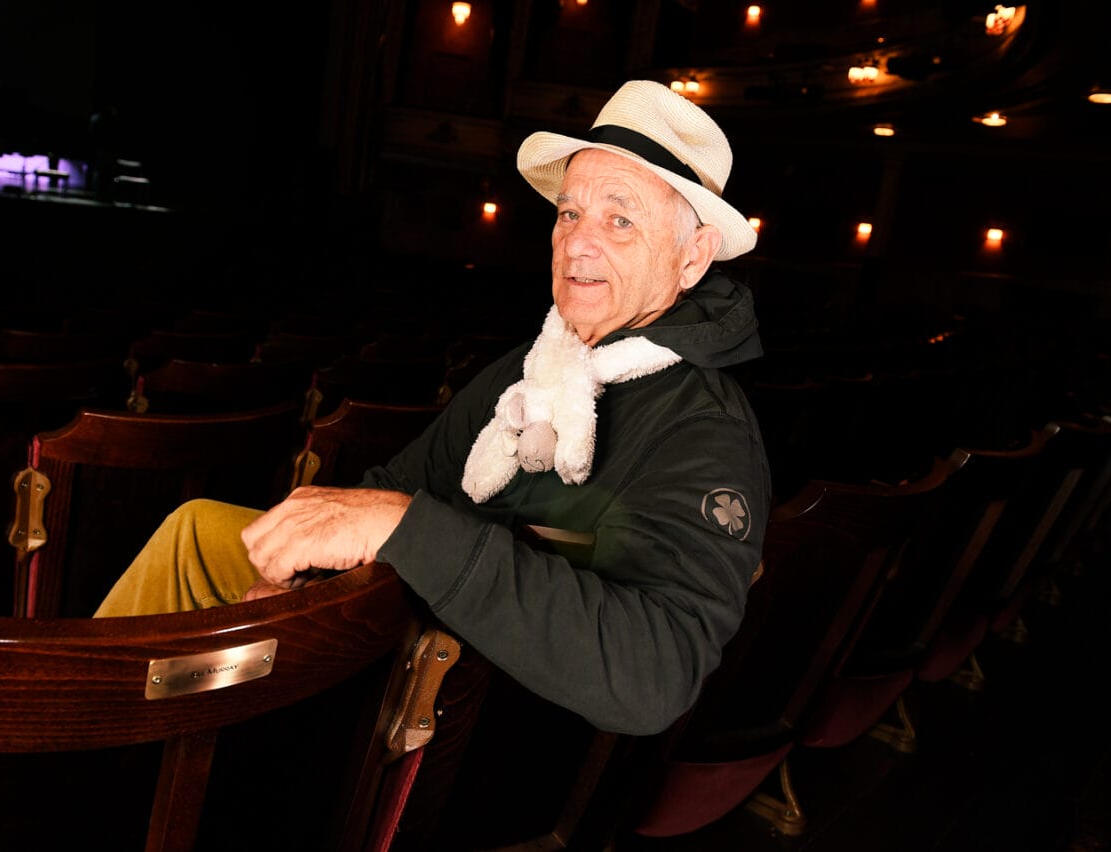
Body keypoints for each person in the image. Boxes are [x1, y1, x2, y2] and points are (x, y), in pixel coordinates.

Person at [95, 79, 771, 739]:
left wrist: (404, 530)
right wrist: (306, 584)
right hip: (411, 620)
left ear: (693, 257)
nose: (578, 242)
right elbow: (395, 488)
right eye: (569, 213)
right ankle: (95, 727)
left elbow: (654, 678)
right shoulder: (530, 366)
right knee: (194, 530)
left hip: (469, 721)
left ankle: (81, 755)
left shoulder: (704, 429)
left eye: (619, 219)